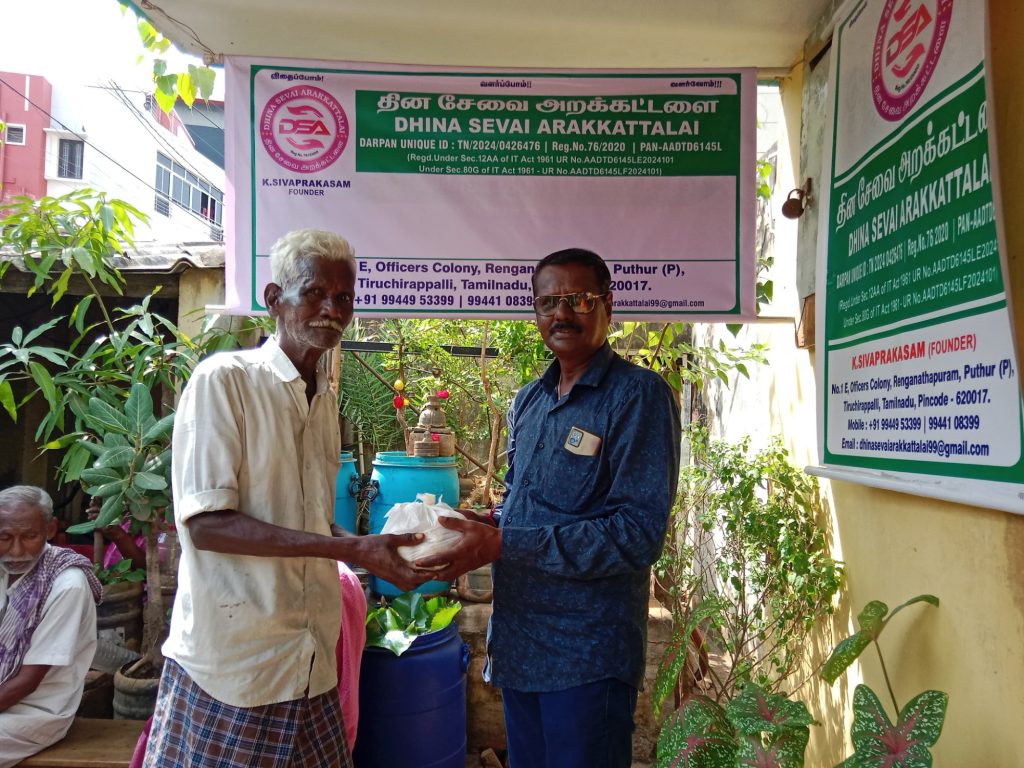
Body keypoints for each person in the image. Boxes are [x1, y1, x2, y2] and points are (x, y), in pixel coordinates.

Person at [144, 229, 427, 768]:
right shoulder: (225, 381)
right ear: (274, 299)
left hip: (311, 659)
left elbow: (311, 520)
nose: (331, 310)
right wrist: (349, 550)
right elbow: (207, 525)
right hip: (239, 664)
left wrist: (373, 547)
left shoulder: (324, 399)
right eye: (314, 293)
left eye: (343, 298)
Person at [419, 248, 682, 768]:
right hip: (520, 645)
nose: (562, 313)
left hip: (586, 657)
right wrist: (479, 524)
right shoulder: (529, 401)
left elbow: (637, 533)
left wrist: (504, 542)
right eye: (548, 302)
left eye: (578, 299)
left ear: (607, 305)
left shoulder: (637, 397)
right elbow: (525, 507)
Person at [0, 485, 102, 768]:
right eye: (4, 537)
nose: (16, 550)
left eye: (29, 537)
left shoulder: (67, 584)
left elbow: (28, 681)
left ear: (50, 529)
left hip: (33, 711)